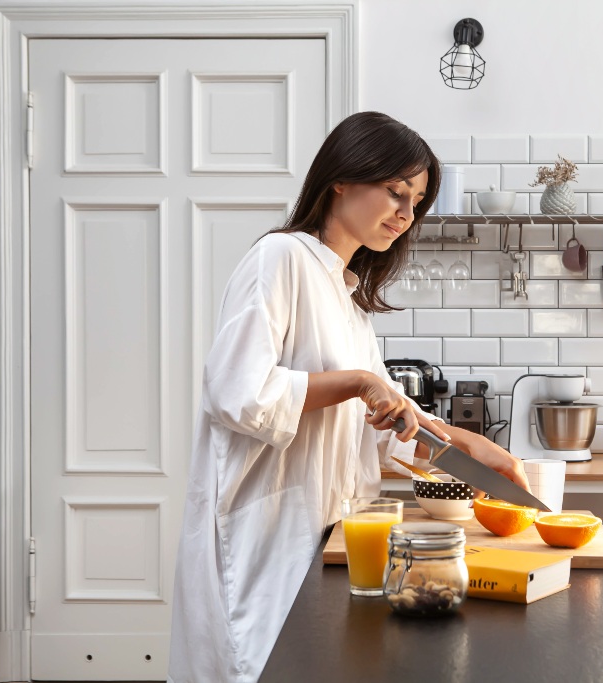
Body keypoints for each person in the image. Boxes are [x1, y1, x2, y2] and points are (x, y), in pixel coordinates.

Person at [167, 111, 528, 683]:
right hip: (267, 536)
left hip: (328, 534)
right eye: (395, 192)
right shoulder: (280, 258)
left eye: (417, 201)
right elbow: (237, 392)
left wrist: (467, 445)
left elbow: (378, 430)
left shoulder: (350, 300)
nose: (407, 214)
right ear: (342, 177)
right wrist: (361, 383)